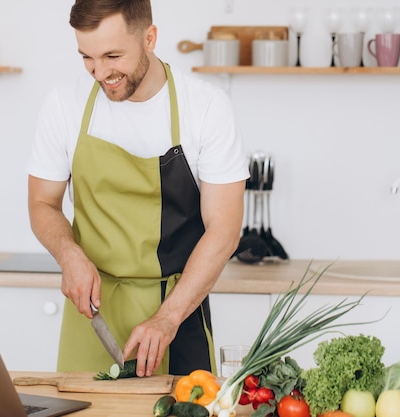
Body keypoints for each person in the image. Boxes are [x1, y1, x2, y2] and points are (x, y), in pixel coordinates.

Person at [26, 0, 248, 377]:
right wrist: (69, 255)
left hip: (178, 309)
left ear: (150, 37)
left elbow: (224, 231)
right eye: (87, 57)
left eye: (113, 55)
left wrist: (167, 318)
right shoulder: (64, 104)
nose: (100, 72)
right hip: (92, 311)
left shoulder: (207, 108)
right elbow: (42, 203)